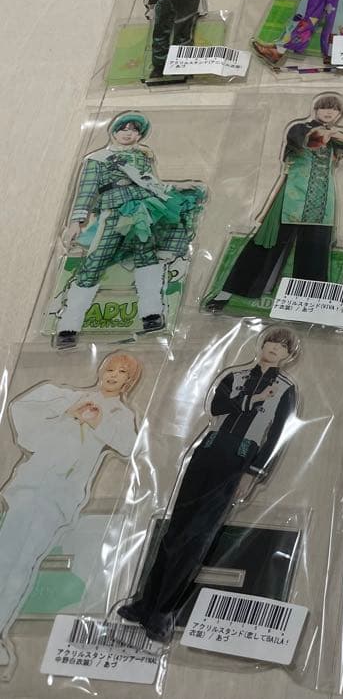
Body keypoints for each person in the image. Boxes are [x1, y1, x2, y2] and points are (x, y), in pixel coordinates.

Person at [117, 327, 299, 642]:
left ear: (288, 355)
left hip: (240, 455)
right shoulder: (235, 376)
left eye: (282, 346)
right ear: (261, 344)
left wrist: (253, 473)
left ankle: (162, 611)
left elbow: (277, 435)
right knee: (175, 530)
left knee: (198, 536)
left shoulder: (285, 389)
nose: (274, 348)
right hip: (209, 448)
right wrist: (254, 399)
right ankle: (145, 602)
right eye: (271, 341)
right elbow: (216, 407)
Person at [0, 353, 142, 669]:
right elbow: (22, 413)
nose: (112, 375)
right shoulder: (68, 396)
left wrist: (98, 422)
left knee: (25, 561)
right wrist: (67, 412)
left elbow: (130, 446)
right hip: (32, 484)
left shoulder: (119, 414)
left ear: (129, 381)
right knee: (6, 553)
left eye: (121, 372)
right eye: (109, 368)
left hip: (61, 495)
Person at [57, 112, 205, 350]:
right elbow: (86, 191)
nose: (128, 133)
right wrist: (76, 221)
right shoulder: (97, 159)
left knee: (146, 257)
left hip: (143, 211)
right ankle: (68, 326)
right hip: (113, 211)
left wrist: (178, 187)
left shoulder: (142, 157)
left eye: (134, 130)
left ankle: (152, 314)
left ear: (139, 135)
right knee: (96, 260)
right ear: (114, 131)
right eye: (123, 129)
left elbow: (152, 183)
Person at [206, 94, 343, 311]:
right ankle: (225, 294)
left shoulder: (336, 136)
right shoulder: (299, 128)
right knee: (265, 244)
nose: (329, 112)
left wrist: (336, 133)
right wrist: (328, 134)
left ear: (340, 114)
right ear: (316, 109)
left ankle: (309, 305)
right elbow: (308, 141)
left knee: (315, 251)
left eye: (335, 109)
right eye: (324, 107)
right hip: (291, 197)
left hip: (321, 202)